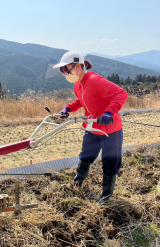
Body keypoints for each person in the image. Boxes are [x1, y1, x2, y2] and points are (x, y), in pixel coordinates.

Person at [53, 51, 128, 203]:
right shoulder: (78, 84)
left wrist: (109, 113)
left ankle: (106, 195)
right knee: (85, 157)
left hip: (110, 130)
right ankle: (77, 183)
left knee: (109, 162)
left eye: (67, 69)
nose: (65, 73)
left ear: (79, 66)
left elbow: (121, 94)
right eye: (63, 71)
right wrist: (68, 108)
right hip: (92, 127)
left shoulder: (94, 80)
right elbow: (81, 101)